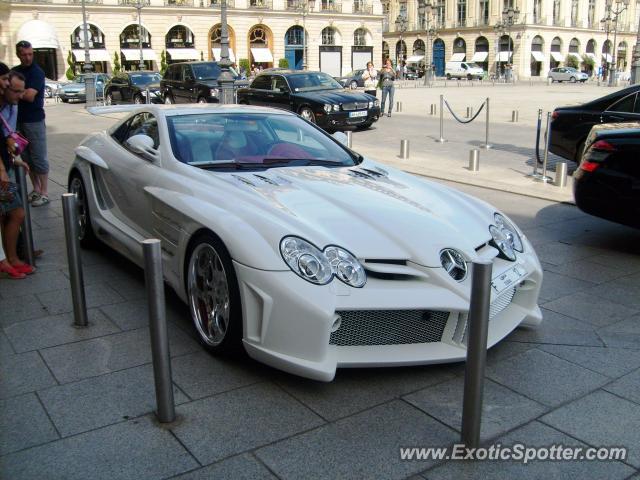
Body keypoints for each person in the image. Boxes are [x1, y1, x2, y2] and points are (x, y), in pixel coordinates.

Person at [0, 70, 35, 279]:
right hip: (2, 173)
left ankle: (9, 258)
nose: (19, 96)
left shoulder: (8, 106)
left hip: (6, 166)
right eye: (15, 90)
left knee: (9, 214)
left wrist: (15, 160)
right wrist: (3, 170)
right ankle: (10, 259)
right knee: (16, 212)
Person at [12, 40, 50, 207]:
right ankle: (35, 189)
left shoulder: (37, 72)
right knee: (26, 156)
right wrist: (21, 91)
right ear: (18, 54)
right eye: (24, 54)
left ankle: (44, 192)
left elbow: (30, 96)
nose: (28, 58)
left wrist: (14, 92)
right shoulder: (15, 71)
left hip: (34, 120)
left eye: (30, 54)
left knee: (38, 156)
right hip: (17, 120)